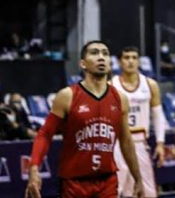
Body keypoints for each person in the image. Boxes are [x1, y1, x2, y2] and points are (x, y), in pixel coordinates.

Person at [25, 41, 143, 198]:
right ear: (83, 64)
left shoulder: (120, 98)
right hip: (74, 183)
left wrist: (138, 178)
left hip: (107, 181)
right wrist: (34, 169)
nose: (101, 57)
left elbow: (126, 141)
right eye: (94, 53)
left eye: (105, 53)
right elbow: (45, 134)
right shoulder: (67, 96)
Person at [112, 46, 167, 198]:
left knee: (147, 190)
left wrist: (160, 143)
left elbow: (158, 114)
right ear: (119, 61)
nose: (130, 61)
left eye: (134, 58)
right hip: (117, 142)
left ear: (139, 61)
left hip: (139, 141)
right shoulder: (111, 85)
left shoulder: (150, 84)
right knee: (114, 189)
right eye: (126, 57)